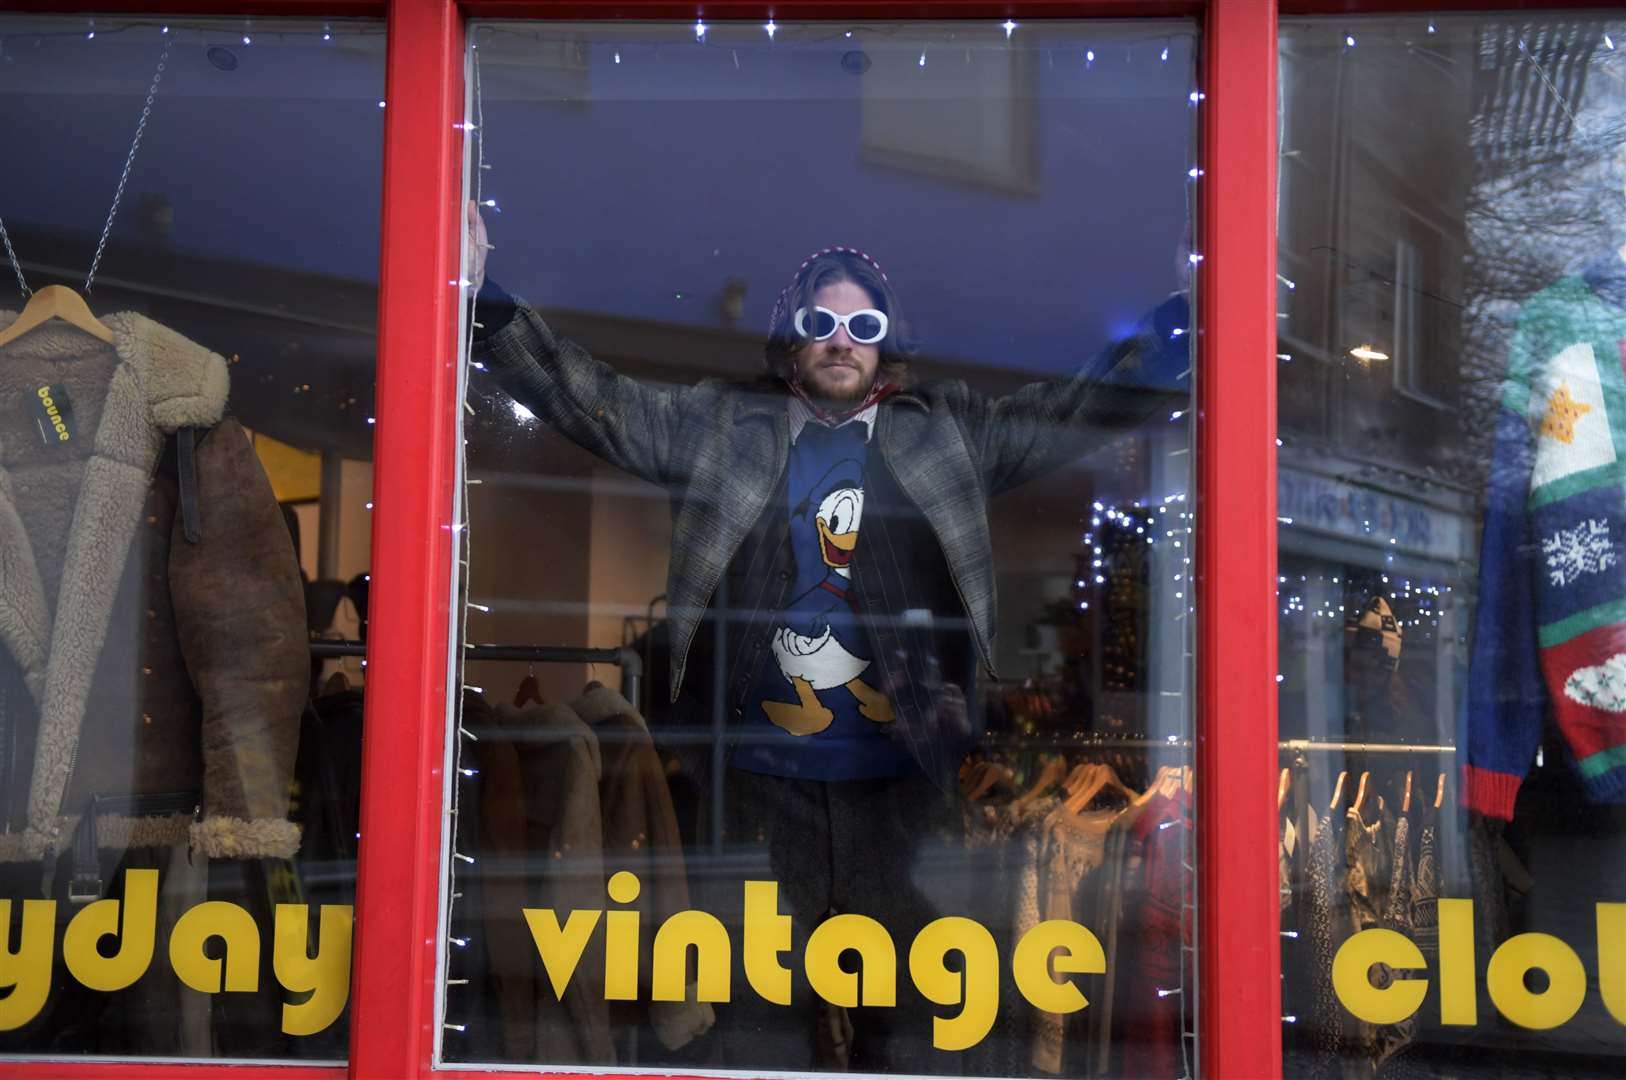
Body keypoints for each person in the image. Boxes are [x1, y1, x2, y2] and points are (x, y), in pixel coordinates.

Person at [465, 203, 1157, 1072]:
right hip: (755, 789)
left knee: (902, 1027)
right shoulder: (721, 426)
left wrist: (1184, 319)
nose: (839, 340)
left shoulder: (948, 432)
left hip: (899, 790)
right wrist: (481, 298)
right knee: (762, 1021)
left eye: (860, 326)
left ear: (884, 344)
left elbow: (1078, 405)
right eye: (818, 323)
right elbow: (593, 401)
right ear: (790, 341)